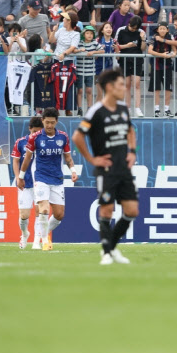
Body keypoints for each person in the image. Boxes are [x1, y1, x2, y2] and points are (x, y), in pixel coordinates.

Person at [72, 69, 137, 264]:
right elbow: (77, 137)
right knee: (106, 211)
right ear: (109, 87)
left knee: (132, 211)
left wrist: (132, 152)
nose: (124, 88)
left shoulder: (123, 109)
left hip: (123, 169)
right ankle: (106, 253)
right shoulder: (96, 111)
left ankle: (111, 247)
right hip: (106, 169)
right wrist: (92, 160)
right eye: (120, 85)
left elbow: (130, 130)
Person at [17, 107, 78, 251]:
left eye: (52, 122)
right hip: (40, 177)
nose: (49, 126)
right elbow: (27, 158)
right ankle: (44, 241)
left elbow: (68, 157)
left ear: (57, 121)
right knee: (43, 210)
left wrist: (73, 171)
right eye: (47, 123)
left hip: (57, 178)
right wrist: (21, 176)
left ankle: (39, 236)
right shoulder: (35, 137)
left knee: (59, 215)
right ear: (43, 121)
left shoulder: (63, 137)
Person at [11, 116, 44, 249]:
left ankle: (36, 241)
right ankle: (25, 234)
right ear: (29, 129)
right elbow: (15, 161)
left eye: (38, 131)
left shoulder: (43, 142)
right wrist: (18, 177)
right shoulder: (20, 142)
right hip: (25, 183)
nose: (36, 134)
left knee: (39, 211)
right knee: (24, 215)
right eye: (34, 131)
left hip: (40, 182)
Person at [147, 21, 175, 117]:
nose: (162, 30)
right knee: (156, 88)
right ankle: (157, 109)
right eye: (160, 28)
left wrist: (170, 55)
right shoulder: (153, 38)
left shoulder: (170, 37)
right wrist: (161, 55)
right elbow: (150, 50)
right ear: (158, 30)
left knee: (168, 88)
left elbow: (175, 50)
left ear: (167, 29)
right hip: (156, 66)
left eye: (164, 28)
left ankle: (167, 109)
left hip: (168, 66)